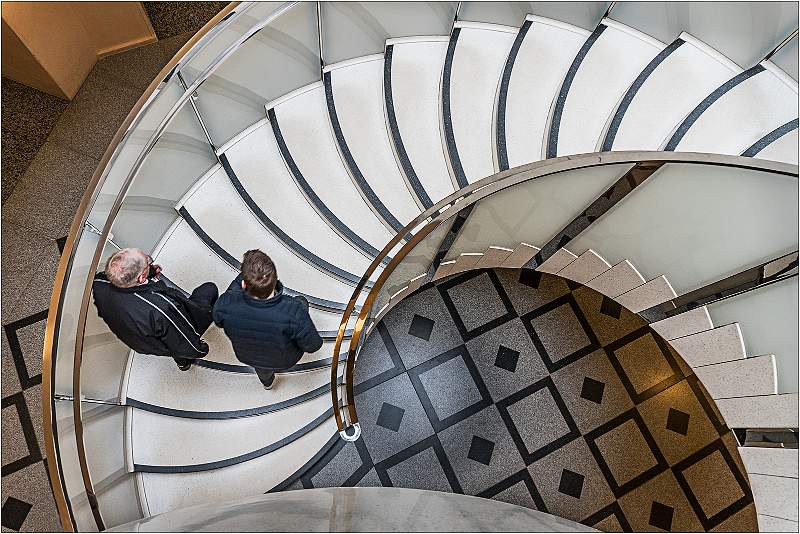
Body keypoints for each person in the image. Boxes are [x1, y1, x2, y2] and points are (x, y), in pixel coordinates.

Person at [212, 249, 323, 390]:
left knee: (262, 368)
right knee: (302, 301)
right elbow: (313, 345)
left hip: (248, 355)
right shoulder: (293, 310)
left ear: (244, 285)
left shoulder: (226, 303)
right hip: (285, 358)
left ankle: (267, 383)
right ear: (275, 280)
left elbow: (218, 320)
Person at [92, 248, 218, 371]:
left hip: (140, 340)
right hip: (165, 331)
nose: (150, 262)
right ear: (141, 278)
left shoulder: (98, 282)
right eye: (148, 261)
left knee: (170, 342)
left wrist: (150, 272)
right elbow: (184, 341)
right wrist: (201, 349)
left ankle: (183, 364)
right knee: (209, 289)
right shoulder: (160, 309)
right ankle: (185, 358)